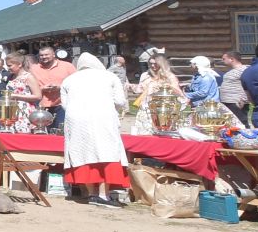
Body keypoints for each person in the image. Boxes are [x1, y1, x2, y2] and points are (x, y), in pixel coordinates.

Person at [59, 54, 129, 207]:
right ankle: (103, 195)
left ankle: (91, 193)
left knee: (82, 153)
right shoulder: (109, 76)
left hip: (77, 120)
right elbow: (120, 100)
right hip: (103, 117)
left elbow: (65, 104)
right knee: (106, 152)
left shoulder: (69, 79)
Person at [131, 52, 185, 135]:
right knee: (144, 132)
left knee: (161, 132)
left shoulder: (169, 76)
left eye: (155, 64)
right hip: (145, 107)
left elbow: (178, 93)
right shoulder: (145, 75)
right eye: (151, 64)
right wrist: (131, 86)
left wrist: (165, 86)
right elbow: (139, 89)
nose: (153, 66)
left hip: (162, 109)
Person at [26, 46, 77, 132]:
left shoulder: (67, 66)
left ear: (53, 55)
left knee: (61, 131)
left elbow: (76, 83)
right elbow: (28, 86)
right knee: (43, 132)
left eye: (46, 54)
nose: (44, 57)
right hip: (41, 106)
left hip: (62, 104)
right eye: (41, 55)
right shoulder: (34, 69)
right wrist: (42, 89)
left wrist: (60, 87)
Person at [0, 53, 41, 133]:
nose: (8, 68)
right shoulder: (11, 77)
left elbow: (38, 96)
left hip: (24, 110)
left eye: (10, 65)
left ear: (20, 64)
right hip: (10, 110)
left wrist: (15, 96)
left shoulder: (28, 77)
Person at [219, 50, 250, 123]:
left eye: (224, 59)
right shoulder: (231, 71)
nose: (222, 61)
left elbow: (248, 85)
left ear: (232, 59)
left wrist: (243, 100)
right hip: (228, 101)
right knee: (231, 123)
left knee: (241, 122)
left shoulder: (244, 70)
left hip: (237, 102)